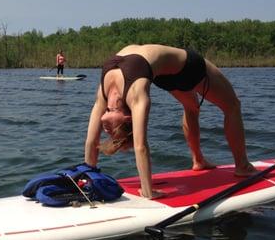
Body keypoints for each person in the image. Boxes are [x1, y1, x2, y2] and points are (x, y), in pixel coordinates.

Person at [84, 44, 257, 199]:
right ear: (127, 117)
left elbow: (102, 142)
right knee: (232, 106)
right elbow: (127, 144)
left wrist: (147, 190)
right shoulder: (132, 95)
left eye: (110, 130)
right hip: (164, 75)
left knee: (207, 107)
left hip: (188, 66)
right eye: (113, 131)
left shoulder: (113, 93)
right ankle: (237, 166)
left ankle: (207, 161)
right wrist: (87, 178)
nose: (106, 128)